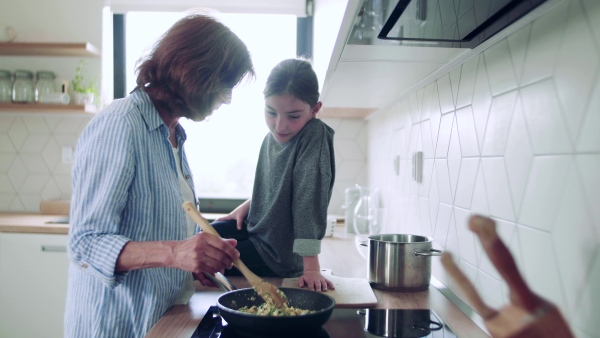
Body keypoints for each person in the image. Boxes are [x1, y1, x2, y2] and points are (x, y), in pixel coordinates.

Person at [64, 14, 254, 337]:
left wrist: (196, 263)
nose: (227, 98)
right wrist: (178, 253)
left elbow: (156, 229)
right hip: (114, 327)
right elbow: (85, 244)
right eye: (225, 86)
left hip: (159, 323)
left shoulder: (173, 136)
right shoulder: (121, 124)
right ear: (196, 73)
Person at [212, 58, 336, 292]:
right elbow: (280, 186)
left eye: (293, 116)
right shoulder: (275, 136)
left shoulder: (313, 136)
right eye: (271, 112)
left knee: (209, 256)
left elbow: (306, 202)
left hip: (277, 256)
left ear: (315, 109)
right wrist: (249, 205)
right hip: (258, 231)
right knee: (204, 236)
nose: (280, 125)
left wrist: (310, 268)